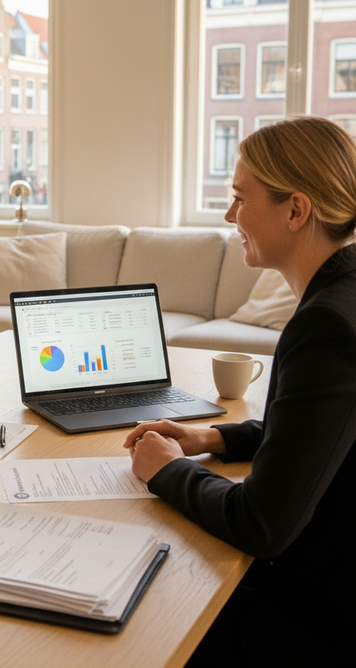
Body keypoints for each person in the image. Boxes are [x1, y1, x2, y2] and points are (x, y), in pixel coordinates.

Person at [123, 116, 356, 665]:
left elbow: (261, 524)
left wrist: (165, 469)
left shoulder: (326, 325)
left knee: (149, 608)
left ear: (296, 211)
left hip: (317, 611)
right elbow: (323, 432)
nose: (230, 216)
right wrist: (213, 438)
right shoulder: (344, 295)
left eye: (240, 198)